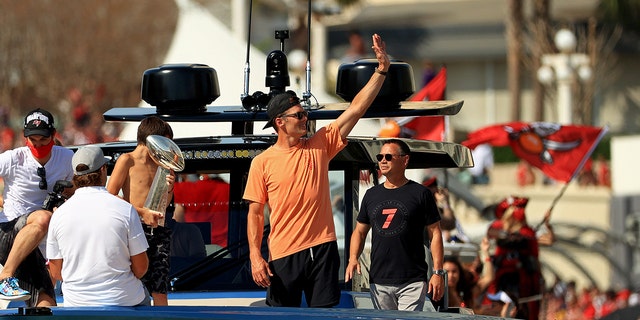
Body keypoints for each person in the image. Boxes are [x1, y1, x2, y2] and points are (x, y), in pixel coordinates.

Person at [243, 33, 390, 308]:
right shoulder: (261, 162)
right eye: (298, 115)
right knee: (281, 319)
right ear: (280, 122)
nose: (304, 118)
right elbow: (253, 213)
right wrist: (255, 256)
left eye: (304, 113)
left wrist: (381, 71)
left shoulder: (320, 144)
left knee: (325, 317)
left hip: (323, 248)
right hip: (283, 254)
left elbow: (356, 109)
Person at [344, 139, 445, 311]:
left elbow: (435, 233)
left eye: (389, 157)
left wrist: (438, 273)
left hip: (412, 279)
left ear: (405, 160)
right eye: (380, 156)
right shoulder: (371, 195)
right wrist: (353, 258)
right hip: (379, 279)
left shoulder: (421, 193)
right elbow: (360, 232)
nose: (383, 160)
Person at [46, 146, 150, 307]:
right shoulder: (125, 209)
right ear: (103, 170)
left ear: (75, 176)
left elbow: (56, 272)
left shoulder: (59, 215)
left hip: (77, 303)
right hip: (125, 300)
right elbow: (141, 268)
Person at [0, 108, 74, 306]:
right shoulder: (13, 158)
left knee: (46, 304)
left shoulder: (66, 158)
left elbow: (76, 192)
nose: (38, 145)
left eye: (44, 140)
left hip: (40, 241)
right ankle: (4, 277)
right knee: (42, 217)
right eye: (34, 141)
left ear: (53, 135)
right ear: (26, 138)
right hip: (9, 231)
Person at [106, 115, 175, 306]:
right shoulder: (127, 160)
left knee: (160, 287)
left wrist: (170, 187)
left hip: (158, 230)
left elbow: (165, 203)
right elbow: (109, 196)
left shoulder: (162, 164)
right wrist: (140, 212)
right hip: (134, 229)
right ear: (153, 141)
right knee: (134, 282)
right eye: (165, 143)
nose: (167, 149)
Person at [482, 196, 542, 320]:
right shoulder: (498, 226)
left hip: (522, 277)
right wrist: (508, 235)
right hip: (500, 276)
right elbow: (491, 232)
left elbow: (534, 255)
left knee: (522, 308)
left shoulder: (528, 232)